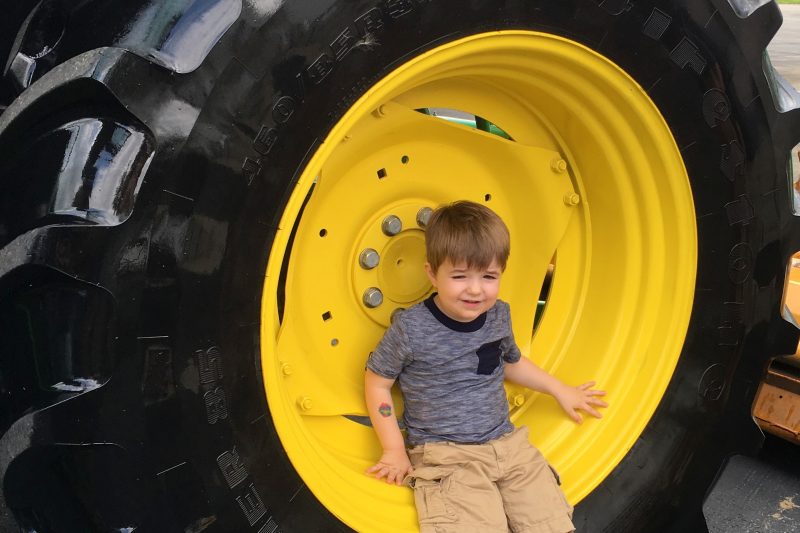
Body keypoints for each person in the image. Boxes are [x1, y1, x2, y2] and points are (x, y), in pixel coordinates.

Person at [364, 200, 608, 532]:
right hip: (447, 457)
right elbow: (377, 382)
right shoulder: (411, 329)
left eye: (489, 276)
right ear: (432, 274)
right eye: (460, 276)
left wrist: (559, 389)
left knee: (551, 523)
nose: (476, 289)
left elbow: (512, 362)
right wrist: (393, 449)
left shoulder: (498, 315)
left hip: (509, 446)